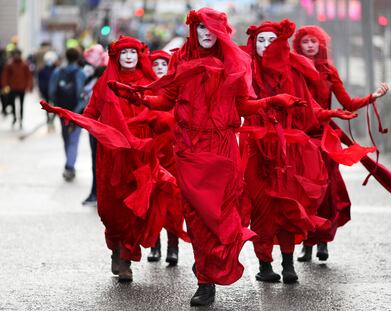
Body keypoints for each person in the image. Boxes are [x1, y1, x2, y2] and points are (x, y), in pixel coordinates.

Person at [109, 8, 304, 306]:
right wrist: (139, 97)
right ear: (194, 30)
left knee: (222, 216)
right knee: (197, 218)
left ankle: (215, 265)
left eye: (212, 28)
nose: (206, 33)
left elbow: (242, 106)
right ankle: (205, 281)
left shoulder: (235, 62)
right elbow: (166, 100)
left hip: (222, 149)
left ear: (221, 32)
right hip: (189, 151)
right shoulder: (181, 59)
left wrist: (270, 102)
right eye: (201, 28)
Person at [41, 36, 187, 283]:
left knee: (136, 208)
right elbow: (92, 112)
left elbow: (166, 114)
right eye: (123, 52)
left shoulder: (150, 83)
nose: (128, 56)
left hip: (141, 155)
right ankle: (116, 250)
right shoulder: (104, 83)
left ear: (139, 56)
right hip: (112, 154)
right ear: (116, 56)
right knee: (112, 209)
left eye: (133, 51)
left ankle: (126, 259)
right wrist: (80, 121)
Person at [242, 19, 371, 284]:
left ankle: (288, 263)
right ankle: (265, 264)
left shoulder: (294, 70)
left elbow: (308, 107)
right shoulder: (244, 70)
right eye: (260, 40)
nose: (266, 45)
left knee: (289, 203)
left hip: (288, 149)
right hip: (255, 147)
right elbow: (236, 105)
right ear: (253, 44)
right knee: (261, 208)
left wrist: (329, 113)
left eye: (271, 39)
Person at [292, 25, 389, 262]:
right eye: (305, 41)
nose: (311, 45)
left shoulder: (329, 72)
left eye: (314, 41)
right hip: (300, 137)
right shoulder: (292, 70)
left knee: (326, 189)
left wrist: (371, 97)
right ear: (298, 46)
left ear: (321, 44)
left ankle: (322, 240)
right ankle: (307, 242)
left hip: (324, 138)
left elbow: (347, 102)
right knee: (303, 191)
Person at [146, 49, 181, 265]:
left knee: (174, 204)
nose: (159, 67)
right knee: (152, 201)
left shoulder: (177, 91)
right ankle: (154, 245)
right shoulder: (145, 92)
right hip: (150, 156)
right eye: (155, 64)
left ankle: (173, 247)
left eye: (163, 64)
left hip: (175, 156)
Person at [49, 48, 86, 181]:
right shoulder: (81, 73)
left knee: (66, 138)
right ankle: (70, 166)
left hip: (62, 111)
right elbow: (83, 95)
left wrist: (56, 108)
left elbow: (52, 92)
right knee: (74, 140)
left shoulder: (58, 72)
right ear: (77, 58)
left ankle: (69, 164)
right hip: (77, 112)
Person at [81, 44, 108, 207]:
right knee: (97, 161)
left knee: (98, 161)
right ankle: (96, 193)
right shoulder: (93, 79)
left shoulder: (100, 80)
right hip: (96, 126)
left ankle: (97, 193)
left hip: (100, 127)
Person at [1, 49, 33, 128]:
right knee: (13, 104)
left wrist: (29, 86)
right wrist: (5, 85)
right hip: (13, 87)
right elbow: (5, 76)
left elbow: (29, 76)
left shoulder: (24, 64)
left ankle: (21, 119)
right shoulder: (10, 65)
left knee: (21, 104)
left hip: (22, 87)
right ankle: (15, 117)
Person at [37, 50, 59, 131]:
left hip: (53, 92)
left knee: (54, 107)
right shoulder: (42, 70)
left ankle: (51, 119)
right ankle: (48, 119)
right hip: (46, 91)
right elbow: (40, 82)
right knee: (47, 107)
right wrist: (41, 90)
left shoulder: (56, 70)